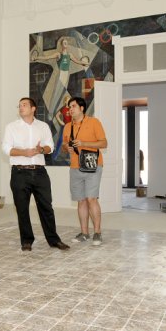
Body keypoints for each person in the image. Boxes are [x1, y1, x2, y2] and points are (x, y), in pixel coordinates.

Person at [2, 97, 70, 251]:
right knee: (22, 208)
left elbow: (50, 147)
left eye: (24, 105)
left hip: (39, 172)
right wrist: (24, 152)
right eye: (19, 105)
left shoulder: (43, 126)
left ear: (33, 109)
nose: (21, 107)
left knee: (46, 207)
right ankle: (26, 240)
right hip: (19, 172)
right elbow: (6, 149)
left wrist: (40, 150)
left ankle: (54, 240)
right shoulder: (11, 127)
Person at [62, 97, 107, 246]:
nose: (70, 109)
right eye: (69, 107)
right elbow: (64, 144)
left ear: (82, 108)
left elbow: (104, 143)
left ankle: (98, 233)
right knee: (81, 200)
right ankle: (84, 233)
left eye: (73, 106)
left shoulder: (94, 122)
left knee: (91, 198)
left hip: (92, 164)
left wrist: (84, 143)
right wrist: (66, 148)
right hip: (75, 166)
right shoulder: (68, 126)